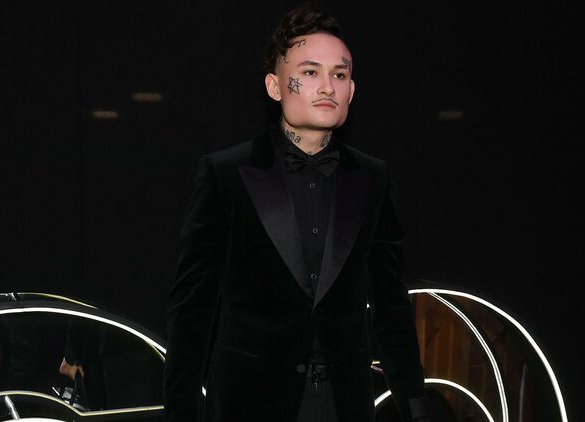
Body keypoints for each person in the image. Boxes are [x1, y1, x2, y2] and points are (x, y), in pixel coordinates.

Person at [163, 3, 431, 421]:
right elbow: (192, 310)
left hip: (346, 405)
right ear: (275, 86)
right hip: (248, 405)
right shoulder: (225, 174)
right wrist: (181, 412)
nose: (327, 86)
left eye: (339, 75)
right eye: (309, 72)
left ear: (351, 90)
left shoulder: (373, 177)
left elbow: (390, 301)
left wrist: (415, 405)